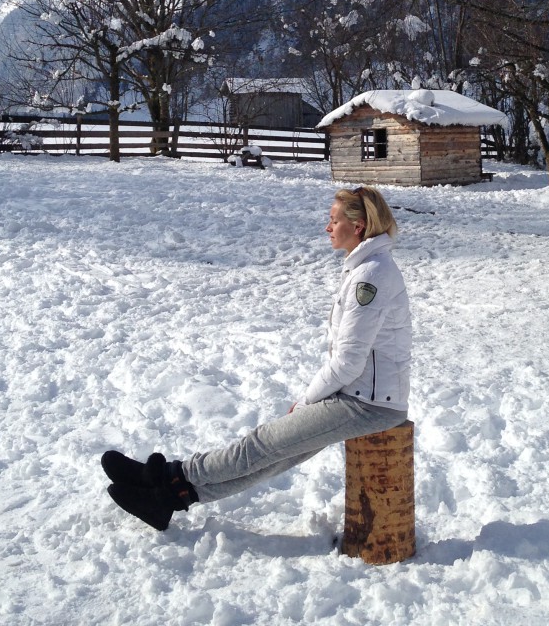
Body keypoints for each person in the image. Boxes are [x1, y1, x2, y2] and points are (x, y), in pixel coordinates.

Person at [102, 185, 412, 531]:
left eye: (333, 220)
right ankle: (168, 498)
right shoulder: (365, 268)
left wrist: (307, 400)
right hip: (358, 396)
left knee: (261, 445)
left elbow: (348, 361)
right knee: (275, 456)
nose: (327, 227)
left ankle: (166, 476)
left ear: (357, 227)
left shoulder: (370, 276)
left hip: (367, 404)